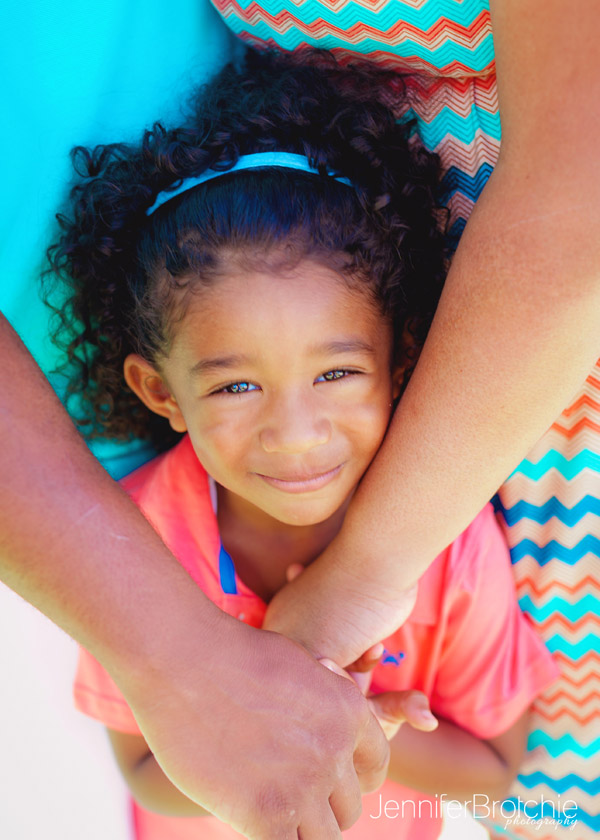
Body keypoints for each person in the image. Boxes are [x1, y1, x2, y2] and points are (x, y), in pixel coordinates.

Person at [46, 50, 558, 840]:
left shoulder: (449, 552)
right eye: (236, 386)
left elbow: (499, 773)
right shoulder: (137, 540)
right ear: (159, 392)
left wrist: (349, 725)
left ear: (403, 362)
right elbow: (143, 771)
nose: (295, 433)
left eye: (338, 372)